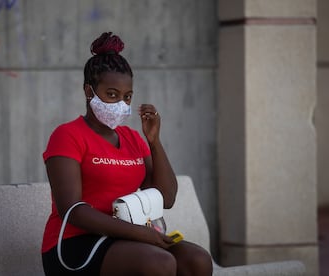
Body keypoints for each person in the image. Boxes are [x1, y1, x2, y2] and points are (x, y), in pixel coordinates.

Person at [41, 32, 213, 276]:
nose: (121, 103)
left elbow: (167, 198)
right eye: (112, 94)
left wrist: (154, 141)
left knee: (198, 260)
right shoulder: (67, 135)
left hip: (127, 239)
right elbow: (73, 210)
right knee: (158, 263)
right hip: (75, 244)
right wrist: (140, 234)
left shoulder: (132, 138)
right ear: (89, 91)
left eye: (127, 96)